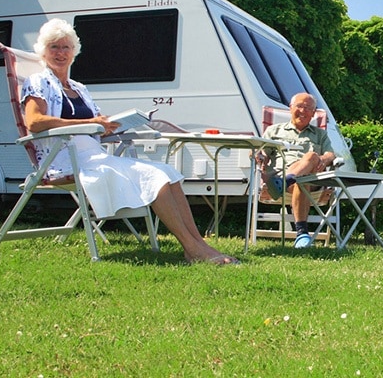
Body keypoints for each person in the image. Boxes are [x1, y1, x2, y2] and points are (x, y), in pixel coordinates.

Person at [21, 18, 239, 266]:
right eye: (54, 47)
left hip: (95, 155)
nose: (60, 53)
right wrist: (91, 122)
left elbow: (93, 128)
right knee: (156, 179)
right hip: (67, 159)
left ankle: (199, 245)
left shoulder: (79, 88)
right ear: (43, 51)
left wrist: (110, 126)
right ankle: (192, 249)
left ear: (74, 52)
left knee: (170, 174)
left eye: (66, 47)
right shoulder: (38, 82)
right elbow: (35, 122)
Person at [258, 92, 336, 248]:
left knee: (312, 156)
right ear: (290, 108)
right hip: (281, 174)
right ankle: (302, 234)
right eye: (299, 106)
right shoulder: (274, 131)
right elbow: (262, 152)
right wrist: (260, 155)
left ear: (314, 113)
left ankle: (284, 182)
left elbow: (330, 154)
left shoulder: (320, 134)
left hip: (308, 180)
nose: (303, 111)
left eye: (308, 108)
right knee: (302, 180)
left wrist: (323, 159)